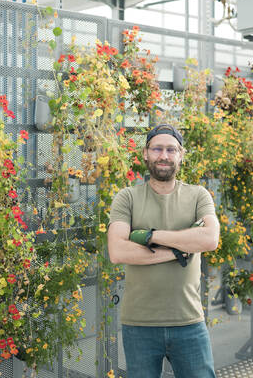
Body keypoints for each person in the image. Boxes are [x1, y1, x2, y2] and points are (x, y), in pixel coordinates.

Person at [108, 123, 220, 378]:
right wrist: (178, 250)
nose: (164, 155)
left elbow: (210, 239)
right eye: (157, 148)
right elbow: (118, 251)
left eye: (171, 149)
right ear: (145, 153)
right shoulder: (128, 197)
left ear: (181, 154)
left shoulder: (198, 196)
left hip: (189, 321)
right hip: (140, 324)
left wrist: (151, 236)